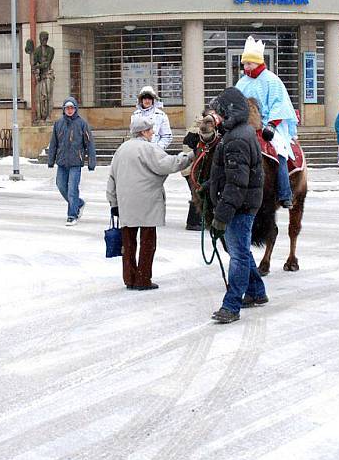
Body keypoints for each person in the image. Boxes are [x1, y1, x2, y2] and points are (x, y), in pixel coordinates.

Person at [106, 116, 192, 291]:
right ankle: (143, 279)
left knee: (128, 243)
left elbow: (111, 178)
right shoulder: (148, 149)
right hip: (147, 203)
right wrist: (190, 156)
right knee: (147, 241)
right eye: (150, 130)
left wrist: (113, 203)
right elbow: (168, 164)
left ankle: (129, 278)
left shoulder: (121, 150)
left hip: (126, 204)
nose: (153, 133)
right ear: (143, 132)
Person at [206, 88, 266, 324]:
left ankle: (231, 305)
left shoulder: (237, 139)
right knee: (241, 250)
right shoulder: (238, 133)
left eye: (218, 112)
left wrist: (221, 215)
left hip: (238, 208)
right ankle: (256, 292)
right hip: (241, 204)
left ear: (229, 112)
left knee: (238, 256)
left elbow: (236, 184)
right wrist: (210, 185)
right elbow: (231, 175)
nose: (215, 118)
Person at [235, 36, 297, 208]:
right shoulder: (242, 82)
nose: (246, 67)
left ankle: (285, 193)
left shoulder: (272, 80)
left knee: (279, 152)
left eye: (249, 63)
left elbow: (280, 104)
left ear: (257, 62)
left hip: (269, 125)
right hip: (245, 125)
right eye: (244, 63)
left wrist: (271, 124)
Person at [47, 97, 96, 226]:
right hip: (62, 161)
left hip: (75, 162)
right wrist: (51, 160)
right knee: (61, 185)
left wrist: (91, 162)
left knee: (72, 189)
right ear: (64, 109)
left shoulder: (82, 124)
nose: (69, 110)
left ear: (75, 109)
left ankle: (72, 215)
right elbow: (54, 143)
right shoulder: (58, 124)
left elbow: (89, 144)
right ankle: (78, 203)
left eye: (72, 108)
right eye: (67, 108)